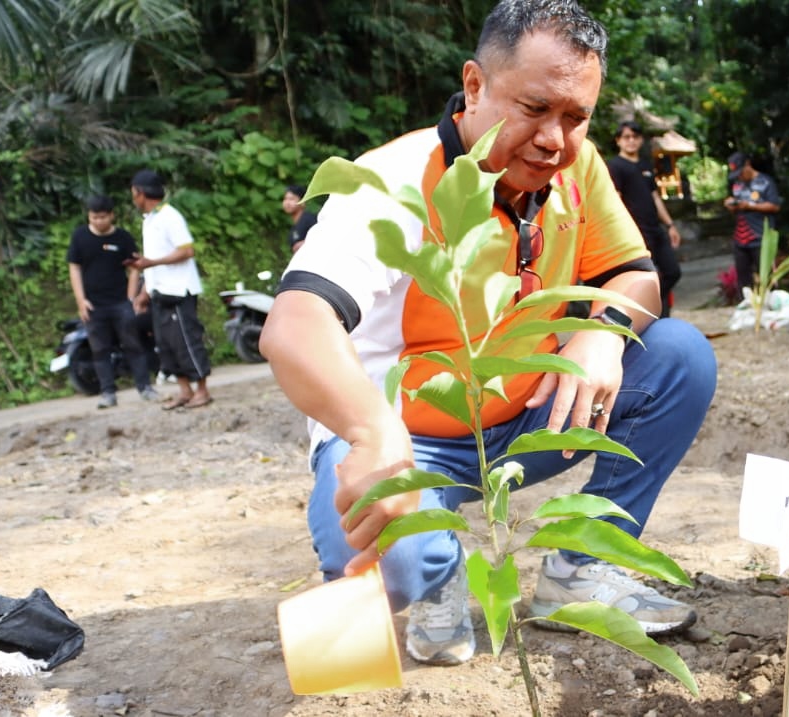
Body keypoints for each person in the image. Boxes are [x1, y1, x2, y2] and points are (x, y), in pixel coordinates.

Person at [260, 0, 717, 668]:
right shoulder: (394, 180)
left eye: (576, 116)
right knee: (381, 554)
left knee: (679, 357)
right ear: (474, 86)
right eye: (535, 108)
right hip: (407, 438)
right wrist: (371, 430)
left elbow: (637, 276)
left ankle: (576, 573)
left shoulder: (577, 168)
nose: (555, 139)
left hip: (531, 420)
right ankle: (437, 575)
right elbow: (293, 324)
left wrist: (604, 334)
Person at [127, 169, 214, 410]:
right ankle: (184, 390)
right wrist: (145, 292)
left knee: (186, 340)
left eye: (134, 193)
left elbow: (186, 251)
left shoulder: (170, 216)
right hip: (159, 292)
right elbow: (151, 260)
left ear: (141, 193)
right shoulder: (150, 219)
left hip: (178, 291)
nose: (133, 198)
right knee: (166, 344)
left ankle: (202, 390)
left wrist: (150, 263)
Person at [66, 194, 160, 408]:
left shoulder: (123, 238)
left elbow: (135, 266)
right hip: (93, 304)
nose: (98, 221)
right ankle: (108, 392)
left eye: (102, 217)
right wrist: (81, 300)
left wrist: (130, 297)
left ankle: (144, 387)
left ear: (111, 215)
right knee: (99, 349)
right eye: (93, 217)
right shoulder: (80, 237)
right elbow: (74, 268)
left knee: (133, 345)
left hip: (120, 303)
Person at [606, 121, 682, 316]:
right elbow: (616, 198)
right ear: (618, 141)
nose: (631, 141)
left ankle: (650, 308)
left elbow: (655, 197)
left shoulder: (645, 165)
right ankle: (652, 315)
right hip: (636, 231)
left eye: (635, 137)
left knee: (672, 272)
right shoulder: (615, 166)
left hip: (655, 228)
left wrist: (670, 225)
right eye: (626, 137)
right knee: (649, 275)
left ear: (640, 140)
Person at [722, 152, 782, 294]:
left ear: (748, 164)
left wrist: (750, 206)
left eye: (741, 172)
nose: (740, 176)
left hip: (761, 237)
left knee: (767, 278)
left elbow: (775, 206)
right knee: (743, 282)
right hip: (740, 239)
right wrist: (731, 205)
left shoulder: (766, 182)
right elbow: (735, 206)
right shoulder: (737, 184)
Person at [282, 184, 317, 254]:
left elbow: (325, 237)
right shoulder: (293, 229)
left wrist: (306, 243)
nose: (287, 203)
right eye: (285, 199)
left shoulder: (310, 219)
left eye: (292, 199)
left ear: (302, 202)